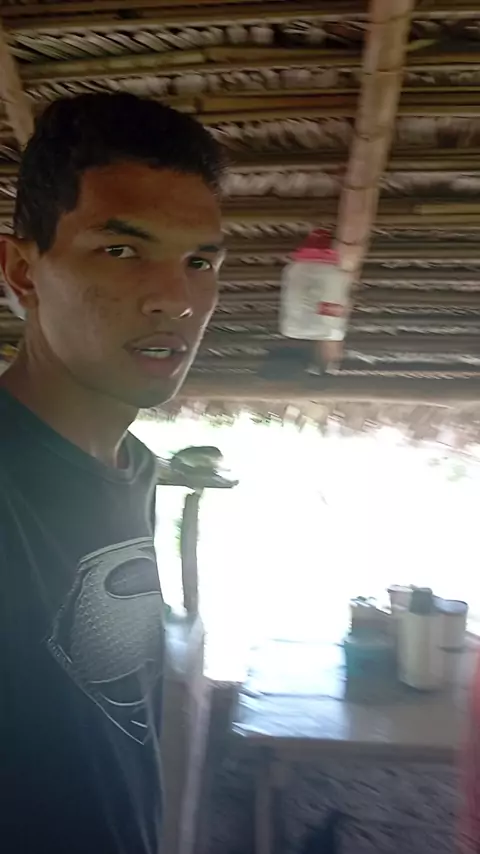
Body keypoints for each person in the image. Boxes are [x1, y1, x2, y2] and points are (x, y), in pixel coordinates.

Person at [0, 92, 225, 854]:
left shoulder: (133, 471)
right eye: (122, 251)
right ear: (22, 271)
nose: (175, 300)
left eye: (199, 263)